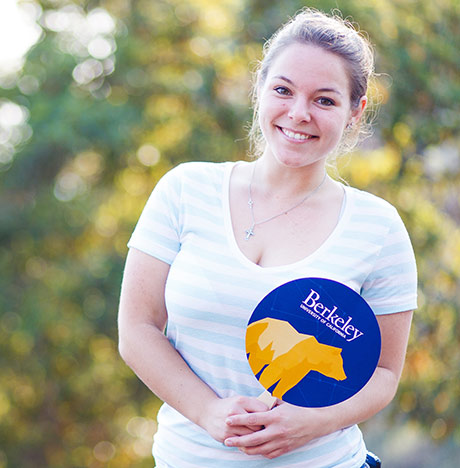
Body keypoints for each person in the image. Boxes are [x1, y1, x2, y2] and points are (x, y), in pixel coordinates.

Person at [118, 8, 417, 468]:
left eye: (325, 100)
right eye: (283, 90)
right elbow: (137, 328)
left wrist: (311, 423)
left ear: (355, 112)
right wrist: (208, 412)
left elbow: (383, 374)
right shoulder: (184, 190)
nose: (299, 113)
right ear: (259, 89)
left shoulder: (378, 229)